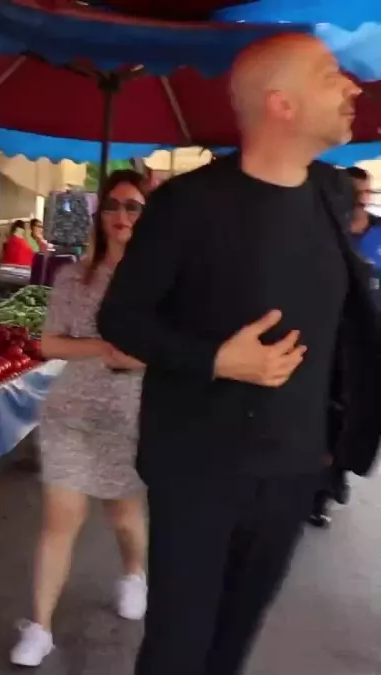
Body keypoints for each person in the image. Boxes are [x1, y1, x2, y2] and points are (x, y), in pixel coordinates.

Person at [97, 34, 381, 675]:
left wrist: (336, 427)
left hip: (291, 469)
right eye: (332, 75)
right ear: (280, 103)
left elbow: (337, 321)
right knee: (178, 648)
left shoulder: (333, 198)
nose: (353, 88)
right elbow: (122, 317)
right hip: (199, 468)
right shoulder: (187, 205)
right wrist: (216, 360)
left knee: (232, 645)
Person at [10, 171, 150, 667]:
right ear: (99, 214)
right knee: (58, 521)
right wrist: (104, 346)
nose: (121, 216)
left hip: (132, 417)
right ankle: (41, 626)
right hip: (71, 414)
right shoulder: (74, 276)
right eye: (113, 205)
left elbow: (169, 351)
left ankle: (134, 573)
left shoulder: (163, 280)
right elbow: (50, 343)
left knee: (125, 515)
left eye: (133, 207)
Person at [310, 166, 381, 527]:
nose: (360, 200)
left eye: (364, 193)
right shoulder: (324, 233)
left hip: (365, 339)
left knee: (350, 413)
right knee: (324, 414)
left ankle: (332, 481)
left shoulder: (379, 232)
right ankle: (320, 488)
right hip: (326, 337)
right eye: (353, 194)